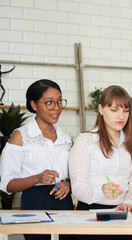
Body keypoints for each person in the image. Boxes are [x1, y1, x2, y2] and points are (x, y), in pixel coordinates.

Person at [0, 79, 73, 240]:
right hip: (34, 204)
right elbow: (7, 184)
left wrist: (68, 184)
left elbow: (75, 174)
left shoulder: (66, 139)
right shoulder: (20, 137)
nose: (57, 108)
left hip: (64, 204)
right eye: (49, 103)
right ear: (34, 105)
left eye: (59, 101)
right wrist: (37, 178)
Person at [69, 85, 132, 240]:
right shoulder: (85, 141)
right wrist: (100, 191)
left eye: (126, 110)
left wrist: (129, 202)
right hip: (89, 216)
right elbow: (77, 187)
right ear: (101, 109)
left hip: (124, 217)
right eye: (114, 110)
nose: (121, 116)